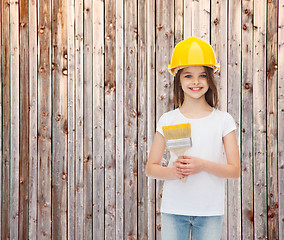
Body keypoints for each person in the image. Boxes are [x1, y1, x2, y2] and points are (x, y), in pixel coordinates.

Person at [146, 37, 240, 240]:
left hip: (209, 212)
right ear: (178, 79)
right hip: (173, 210)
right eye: (188, 75)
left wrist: (202, 165)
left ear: (210, 79)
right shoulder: (168, 119)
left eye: (202, 76)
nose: (195, 82)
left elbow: (234, 170)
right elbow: (150, 167)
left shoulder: (223, 120)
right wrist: (174, 171)